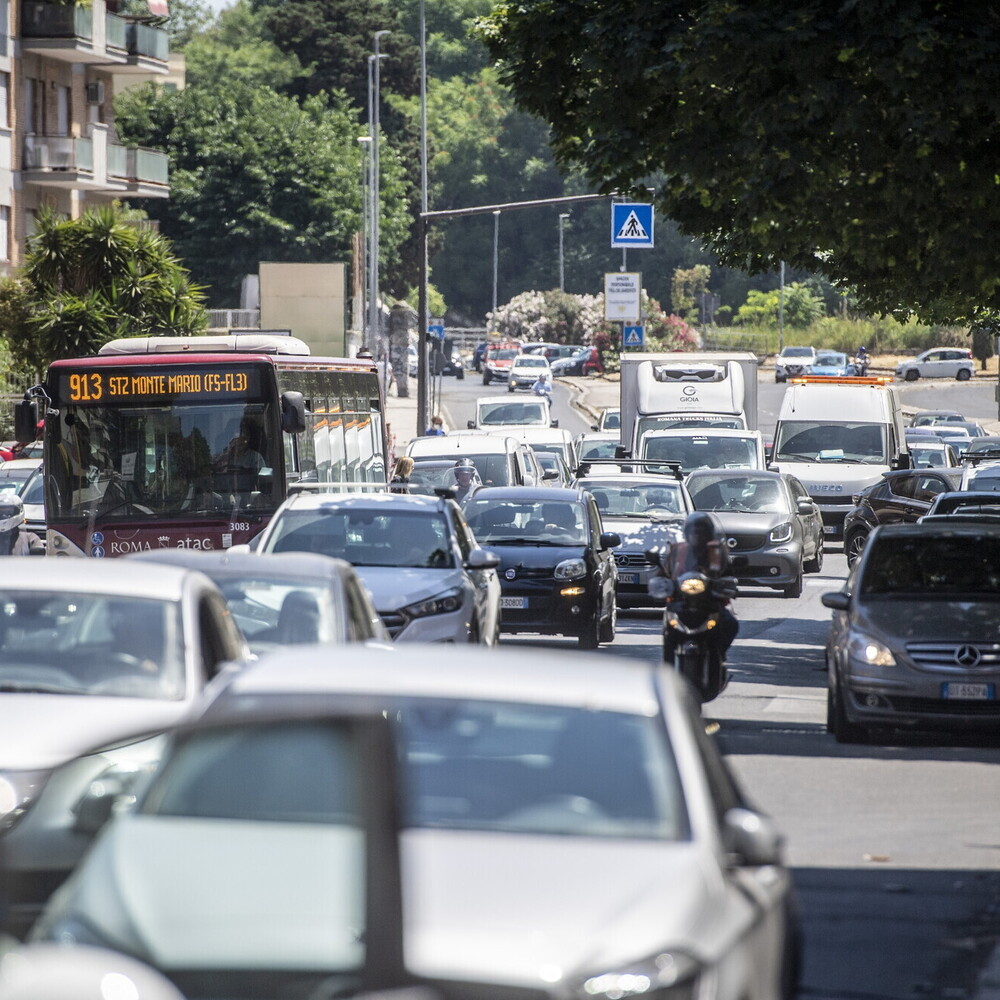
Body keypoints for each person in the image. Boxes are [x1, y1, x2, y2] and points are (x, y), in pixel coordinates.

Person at [651, 511, 738, 663]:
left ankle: (718, 655)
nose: (698, 535)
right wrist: (661, 581)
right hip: (681, 601)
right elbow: (664, 572)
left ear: (709, 534)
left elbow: (728, 571)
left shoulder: (717, 551)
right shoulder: (678, 550)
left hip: (710, 602)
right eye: (694, 532)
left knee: (730, 624)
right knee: (669, 629)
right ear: (687, 533)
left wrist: (728, 580)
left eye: (702, 532)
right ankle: (668, 667)